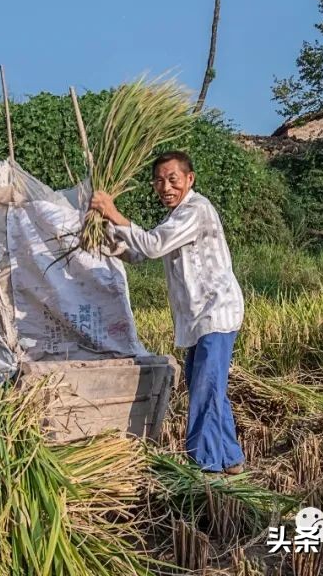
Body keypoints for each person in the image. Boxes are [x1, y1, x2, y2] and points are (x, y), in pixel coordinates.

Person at [90, 151, 245, 474]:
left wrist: (114, 213)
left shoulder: (196, 210)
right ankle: (230, 459)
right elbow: (140, 252)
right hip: (199, 318)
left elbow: (152, 245)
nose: (166, 187)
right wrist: (107, 234)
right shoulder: (176, 218)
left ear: (190, 179)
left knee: (204, 390)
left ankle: (203, 468)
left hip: (215, 313)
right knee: (208, 386)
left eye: (173, 179)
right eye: (159, 181)